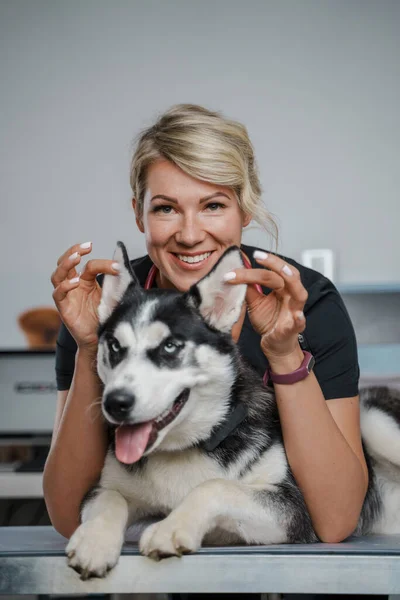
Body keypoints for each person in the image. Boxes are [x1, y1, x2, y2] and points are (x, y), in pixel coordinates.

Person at [44, 104, 369, 596]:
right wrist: (92, 344)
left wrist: (283, 355)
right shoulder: (107, 307)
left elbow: (335, 520)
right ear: (139, 213)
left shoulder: (309, 302)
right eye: (166, 207)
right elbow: (70, 516)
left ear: (245, 208)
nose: (190, 233)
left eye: (213, 205)